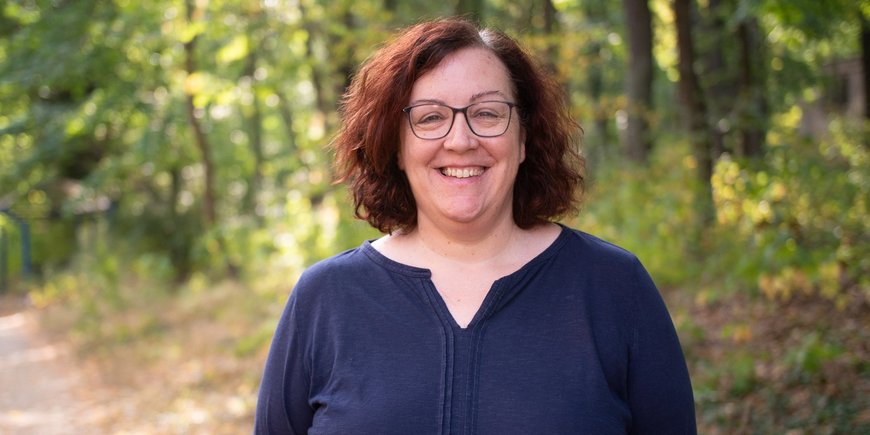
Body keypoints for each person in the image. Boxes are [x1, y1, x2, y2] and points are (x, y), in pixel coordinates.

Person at [255, 18, 696, 434]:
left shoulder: (614, 288)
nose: (461, 140)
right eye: (430, 117)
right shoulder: (325, 300)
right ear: (395, 146)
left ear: (523, 138)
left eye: (487, 113)